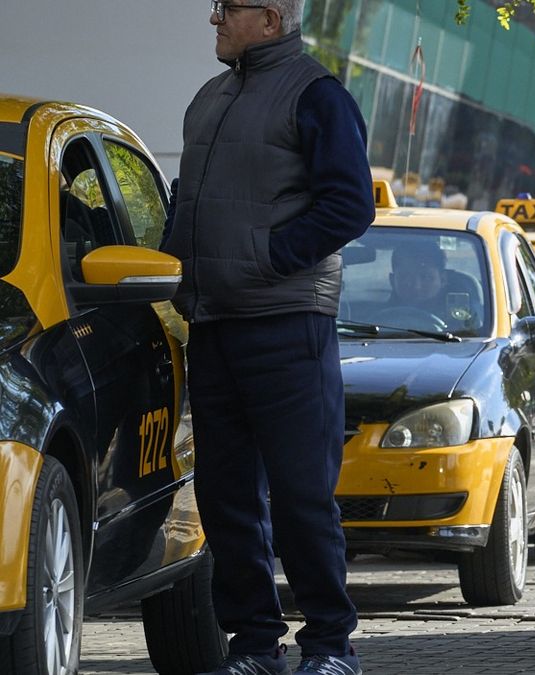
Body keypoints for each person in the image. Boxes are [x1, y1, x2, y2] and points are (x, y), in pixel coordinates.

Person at [160, 2, 374, 673]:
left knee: (302, 495)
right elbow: (187, 207)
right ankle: (254, 644)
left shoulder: (317, 93)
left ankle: (331, 646)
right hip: (214, 325)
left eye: (230, 8)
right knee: (226, 500)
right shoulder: (208, 99)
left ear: (273, 18)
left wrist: (267, 257)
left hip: (286, 325)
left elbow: (351, 203)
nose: (214, 19)